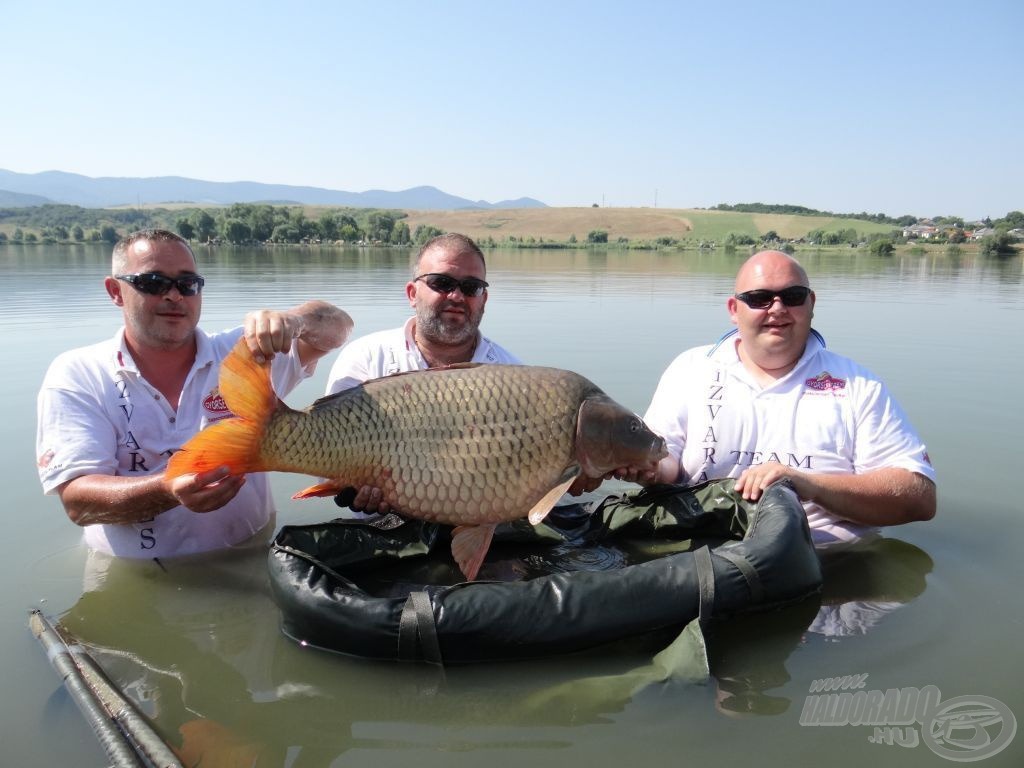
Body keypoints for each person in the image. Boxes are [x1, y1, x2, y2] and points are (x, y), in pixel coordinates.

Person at [36, 229, 353, 558]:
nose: (174, 295)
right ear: (115, 291)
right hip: (134, 572)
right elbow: (78, 503)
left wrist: (294, 320)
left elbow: (337, 328)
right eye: (153, 282)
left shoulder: (244, 354)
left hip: (248, 557)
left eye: (188, 284)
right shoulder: (79, 373)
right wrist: (169, 490)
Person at [607, 249, 937, 547]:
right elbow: (665, 457)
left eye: (792, 296)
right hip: (698, 552)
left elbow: (919, 497)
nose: (777, 308)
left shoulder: (858, 385)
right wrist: (651, 470)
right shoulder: (690, 369)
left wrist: (809, 485)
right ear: (734, 309)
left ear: (811, 303)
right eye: (759, 297)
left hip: (821, 560)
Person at [324, 232, 519, 513]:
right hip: (384, 535)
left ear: (484, 299)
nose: (456, 296)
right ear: (412, 294)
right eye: (442, 283)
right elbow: (325, 463)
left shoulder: (512, 375)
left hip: (481, 527)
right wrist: (348, 488)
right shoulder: (365, 358)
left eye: (471, 287)